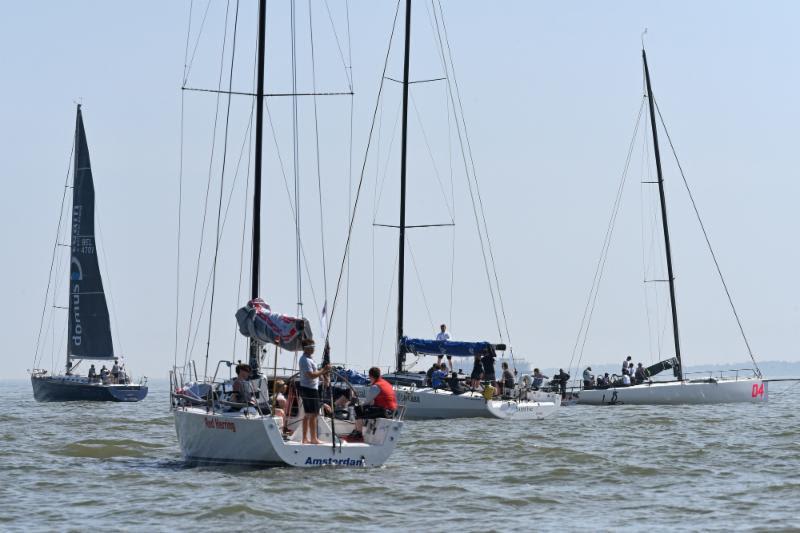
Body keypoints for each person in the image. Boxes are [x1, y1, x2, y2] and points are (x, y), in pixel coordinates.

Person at [298, 339, 330, 444]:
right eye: (311, 347)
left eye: (313, 346)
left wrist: (322, 377)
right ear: (306, 348)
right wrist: (324, 370)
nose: (313, 348)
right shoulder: (305, 360)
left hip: (307, 388)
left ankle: (304, 439)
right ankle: (313, 439)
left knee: (307, 414)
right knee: (314, 414)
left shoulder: (309, 359)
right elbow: (311, 375)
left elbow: (315, 372)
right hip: (310, 389)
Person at [351, 367, 397, 439]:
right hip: (392, 411)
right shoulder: (386, 383)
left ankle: (359, 433)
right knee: (366, 410)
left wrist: (359, 404)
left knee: (358, 410)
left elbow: (366, 402)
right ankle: (360, 430)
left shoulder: (376, 386)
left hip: (384, 411)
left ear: (370, 376)